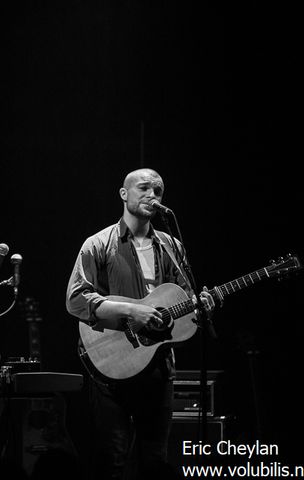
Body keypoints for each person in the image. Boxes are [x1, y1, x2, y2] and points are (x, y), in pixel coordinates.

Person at [66, 168, 215, 480]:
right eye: (144, 188)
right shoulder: (98, 244)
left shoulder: (172, 246)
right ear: (124, 194)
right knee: (112, 459)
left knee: (155, 461)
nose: (152, 196)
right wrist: (133, 311)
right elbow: (76, 300)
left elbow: (184, 301)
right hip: (112, 368)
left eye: (158, 191)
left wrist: (200, 308)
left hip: (158, 367)